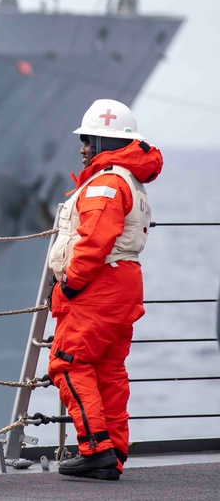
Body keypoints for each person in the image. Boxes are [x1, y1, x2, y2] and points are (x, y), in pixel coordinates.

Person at [47, 99, 163, 481]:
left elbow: (95, 240)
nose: (82, 149)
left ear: (103, 144)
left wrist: (70, 285)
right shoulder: (130, 180)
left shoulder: (108, 182)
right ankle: (113, 451)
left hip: (99, 285)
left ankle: (95, 448)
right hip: (124, 282)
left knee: (69, 362)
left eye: (88, 141)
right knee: (108, 369)